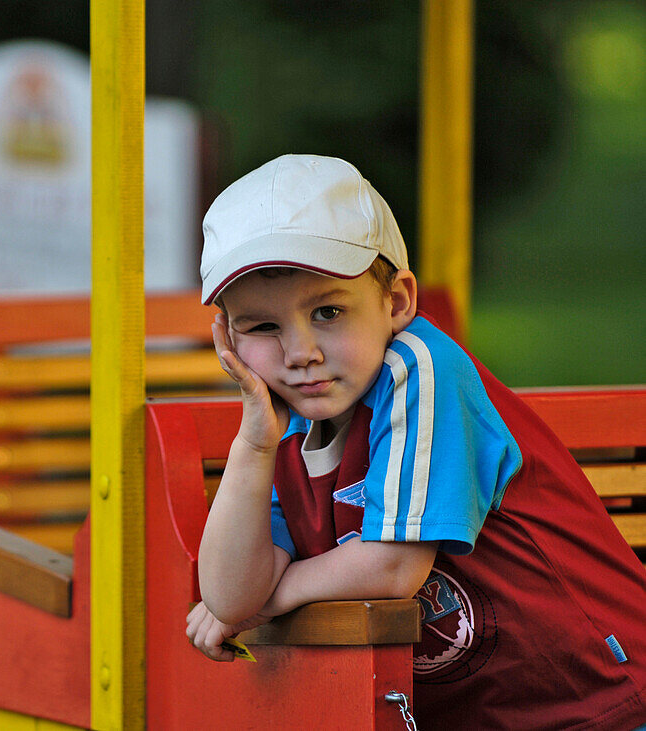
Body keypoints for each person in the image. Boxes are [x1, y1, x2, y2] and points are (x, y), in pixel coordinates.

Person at [184, 154, 646, 730]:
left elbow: (393, 567)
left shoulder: (419, 369)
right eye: (262, 327)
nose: (299, 352)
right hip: (497, 712)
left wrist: (274, 597)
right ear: (227, 339)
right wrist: (252, 446)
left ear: (397, 302)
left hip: (601, 697)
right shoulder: (282, 425)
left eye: (328, 311)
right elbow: (229, 596)